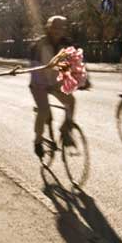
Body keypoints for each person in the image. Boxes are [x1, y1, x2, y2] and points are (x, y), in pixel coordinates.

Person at [29, 15, 88, 158]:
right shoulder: (39, 44)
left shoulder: (67, 44)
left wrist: (86, 80)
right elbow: (35, 68)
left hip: (55, 82)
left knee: (71, 102)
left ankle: (65, 129)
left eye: (61, 27)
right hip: (39, 84)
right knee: (43, 111)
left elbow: (78, 62)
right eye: (55, 27)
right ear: (48, 28)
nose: (58, 30)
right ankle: (38, 141)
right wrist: (42, 84)